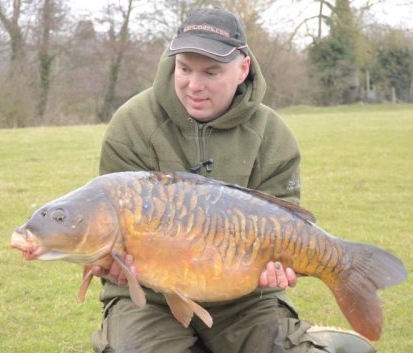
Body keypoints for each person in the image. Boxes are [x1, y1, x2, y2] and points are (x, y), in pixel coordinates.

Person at [90, 7, 376, 353]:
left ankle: (318, 339)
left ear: (242, 69)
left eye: (211, 72)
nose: (194, 86)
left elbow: (286, 227)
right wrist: (116, 265)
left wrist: (280, 268)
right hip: (148, 300)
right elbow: (108, 227)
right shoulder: (131, 125)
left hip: (245, 298)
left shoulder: (272, 135)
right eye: (184, 69)